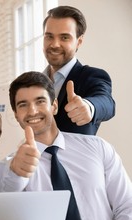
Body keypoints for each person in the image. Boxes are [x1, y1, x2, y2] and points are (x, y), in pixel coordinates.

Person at [0, 71, 132, 220]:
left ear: (54, 106)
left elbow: (126, 205)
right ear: (15, 115)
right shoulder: (13, 163)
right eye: (23, 105)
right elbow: (7, 188)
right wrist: (17, 170)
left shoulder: (98, 148)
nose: (32, 111)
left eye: (40, 101)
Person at [42, 5, 115, 135]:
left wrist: (88, 106)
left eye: (64, 37)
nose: (54, 44)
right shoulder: (35, 82)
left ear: (79, 41)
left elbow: (106, 102)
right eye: (49, 36)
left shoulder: (92, 76)